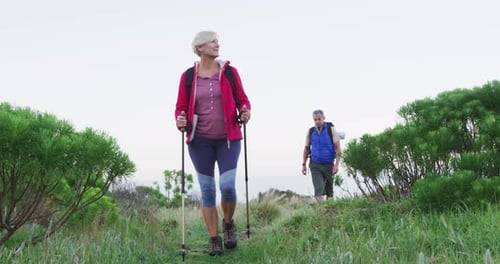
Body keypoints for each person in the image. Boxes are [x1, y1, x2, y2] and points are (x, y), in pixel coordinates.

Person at [175, 30, 251, 256]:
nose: (217, 44)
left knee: (227, 186)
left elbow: (243, 100)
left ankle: (228, 224)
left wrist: (245, 111)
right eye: (212, 41)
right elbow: (180, 106)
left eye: (218, 41)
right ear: (200, 48)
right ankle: (213, 238)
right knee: (207, 190)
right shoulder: (188, 76)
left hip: (228, 139)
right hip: (200, 142)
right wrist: (180, 119)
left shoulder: (229, 73)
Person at [301, 110, 341, 202]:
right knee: (318, 192)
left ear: (323, 118)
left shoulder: (330, 129)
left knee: (329, 193)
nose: (317, 121)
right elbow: (306, 148)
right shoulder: (311, 131)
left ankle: (329, 212)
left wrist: (336, 165)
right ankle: (322, 211)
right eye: (315, 120)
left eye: (319, 119)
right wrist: (303, 164)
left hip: (328, 164)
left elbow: (338, 148)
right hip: (315, 165)